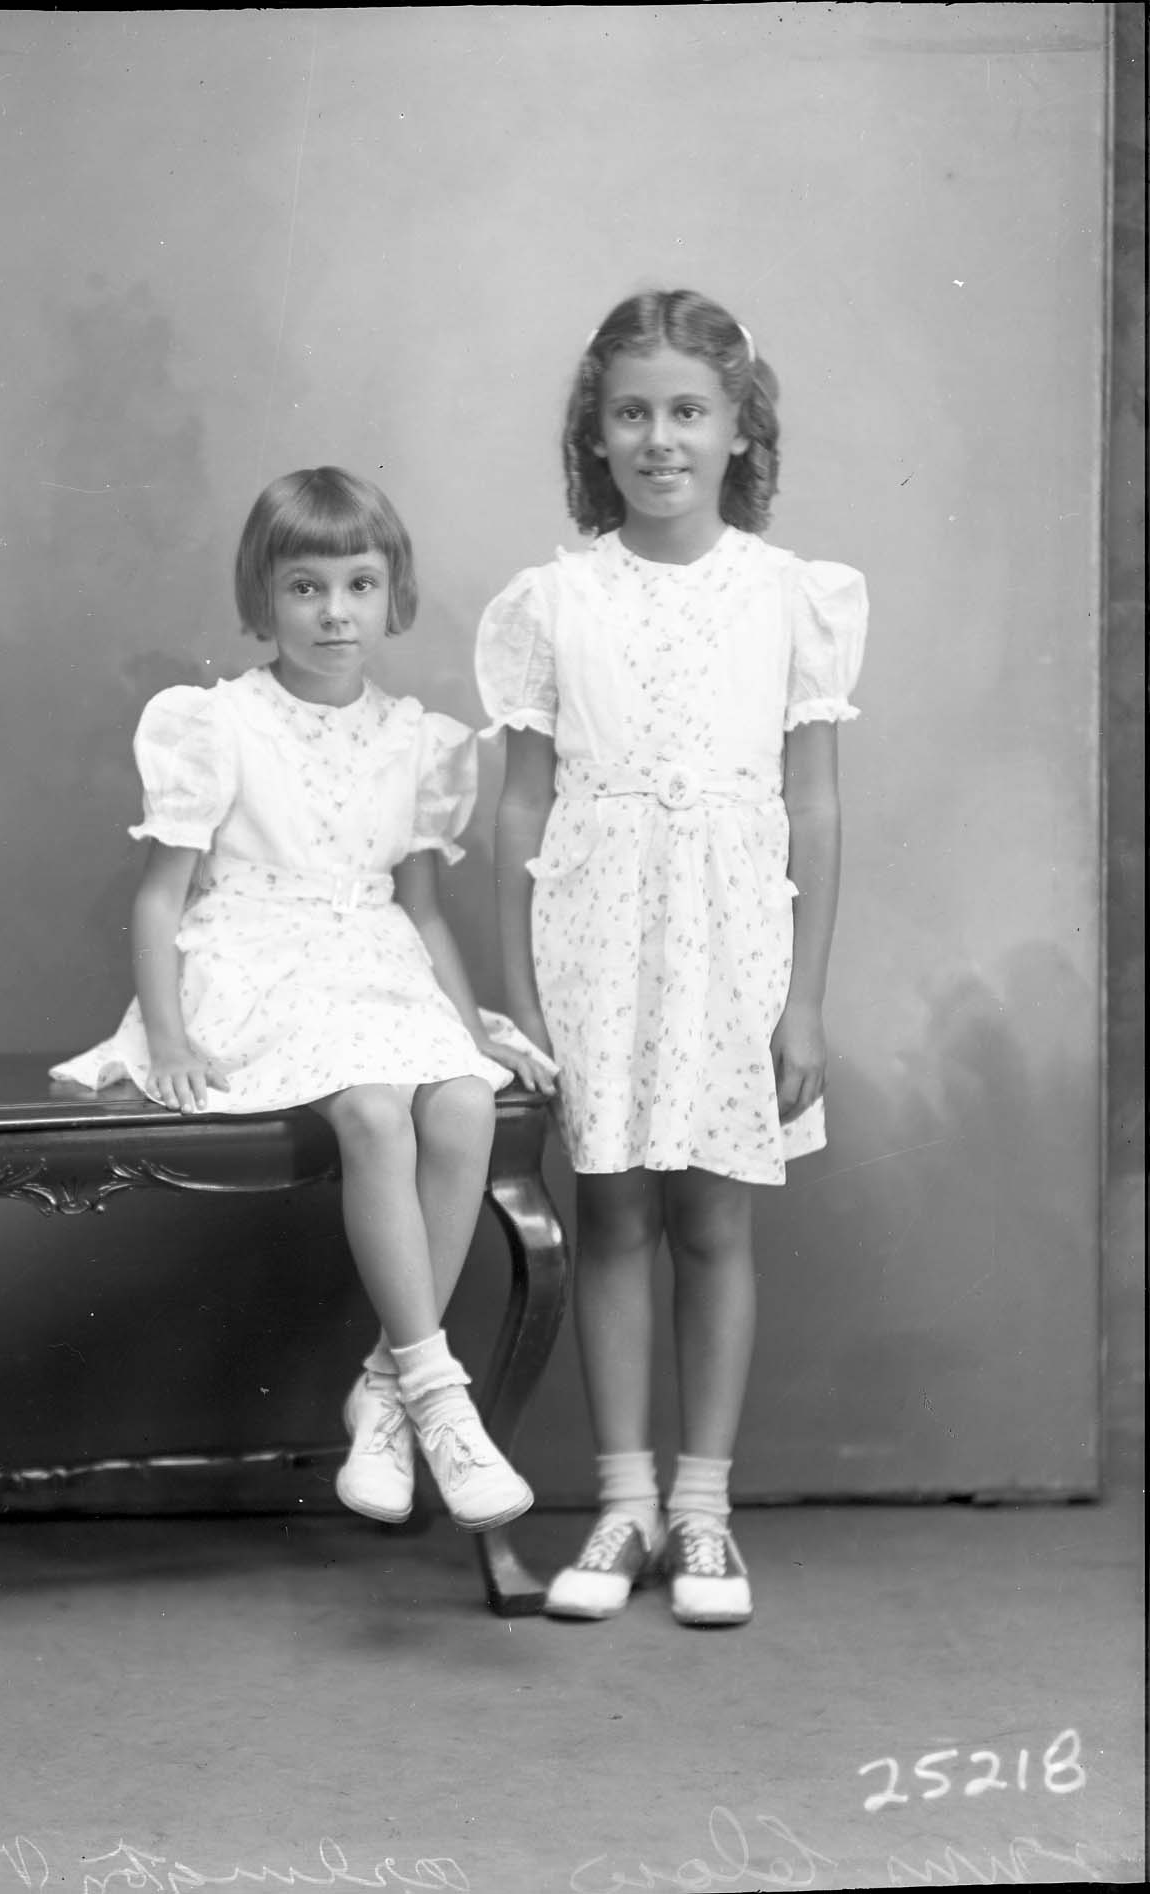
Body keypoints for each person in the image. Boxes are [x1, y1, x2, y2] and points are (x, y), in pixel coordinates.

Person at [53, 466, 555, 1538]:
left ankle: (387, 1387)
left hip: (376, 964)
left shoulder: (415, 740)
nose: (334, 612)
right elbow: (161, 898)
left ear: (391, 595)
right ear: (263, 597)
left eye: (359, 585)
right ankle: (438, 1399)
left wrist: (468, 1027)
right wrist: (169, 1035)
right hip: (254, 962)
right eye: (305, 587)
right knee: (372, 1109)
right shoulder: (218, 723)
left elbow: (420, 911)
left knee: (464, 1099)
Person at [476, 290, 867, 1626]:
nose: (659, 439)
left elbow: (813, 804)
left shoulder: (789, 596)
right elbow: (519, 808)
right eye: (631, 413)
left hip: (731, 935)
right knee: (612, 1217)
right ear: (594, 433)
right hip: (594, 936)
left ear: (737, 429)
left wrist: (802, 999)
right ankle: (623, 1501)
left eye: (687, 411)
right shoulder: (553, 601)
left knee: (709, 1218)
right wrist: (518, 995)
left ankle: (702, 1507)